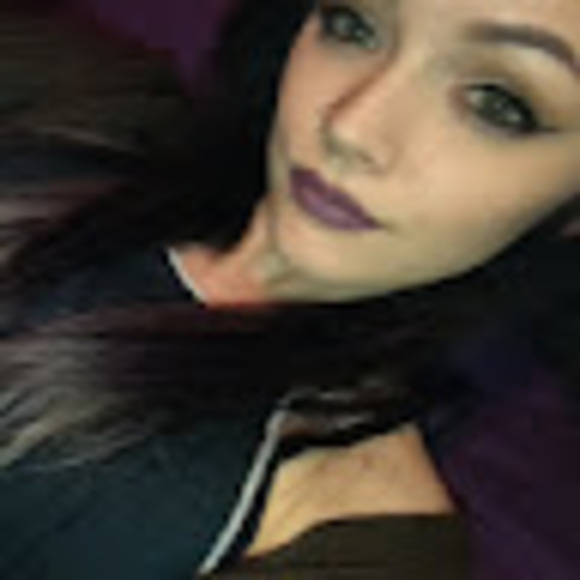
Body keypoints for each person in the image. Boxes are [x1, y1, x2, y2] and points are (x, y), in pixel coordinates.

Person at [0, 0, 579, 578]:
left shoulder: (352, 541)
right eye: (352, 25)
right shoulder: (93, 107)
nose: (351, 128)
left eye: (497, 104)